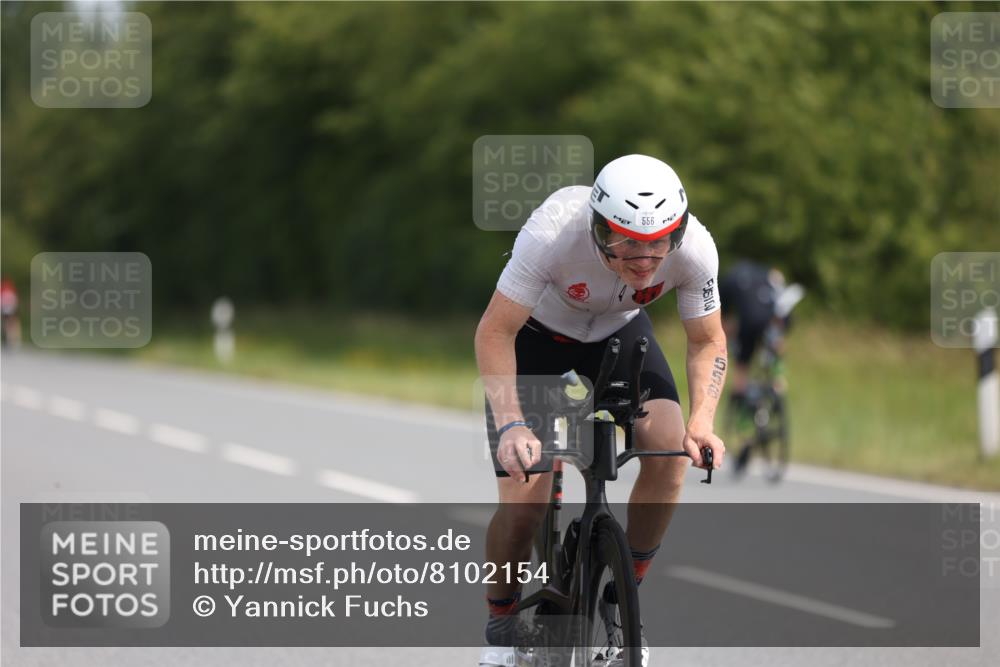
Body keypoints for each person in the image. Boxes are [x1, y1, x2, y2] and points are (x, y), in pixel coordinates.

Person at [474, 155, 727, 666]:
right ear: (596, 226)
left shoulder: (695, 247)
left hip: (619, 335)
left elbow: (706, 340)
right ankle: (502, 624)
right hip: (537, 342)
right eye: (626, 240)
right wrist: (513, 424)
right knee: (524, 505)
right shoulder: (552, 232)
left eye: (659, 241)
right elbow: (494, 331)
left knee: (669, 452)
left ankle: (620, 599)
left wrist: (703, 418)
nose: (645, 256)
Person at [1, 277, 21, 349]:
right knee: (13, 325)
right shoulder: (11, 291)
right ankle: (14, 341)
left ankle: (9, 341)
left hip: (5, 311)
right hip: (12, 311)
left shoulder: (3, 291)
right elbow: (15, 302)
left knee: (7, 326)